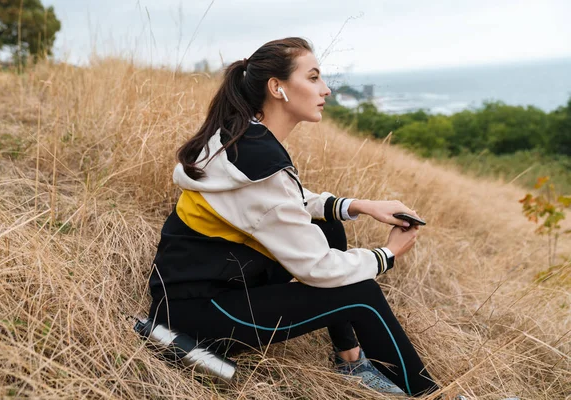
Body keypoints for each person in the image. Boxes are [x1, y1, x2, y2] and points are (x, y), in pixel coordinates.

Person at [147, 37, 439, 397]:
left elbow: (282, 205)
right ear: (277, 88)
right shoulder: (260, 168)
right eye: (314, 77)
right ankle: (432, 395)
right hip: (194, 322)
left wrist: (360, 205)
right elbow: (316, 267)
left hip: (203, 292)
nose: (326, 89)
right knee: (360, 294)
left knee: (328, 225)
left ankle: (351, 362)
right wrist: (388, 255)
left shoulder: (239, 139)